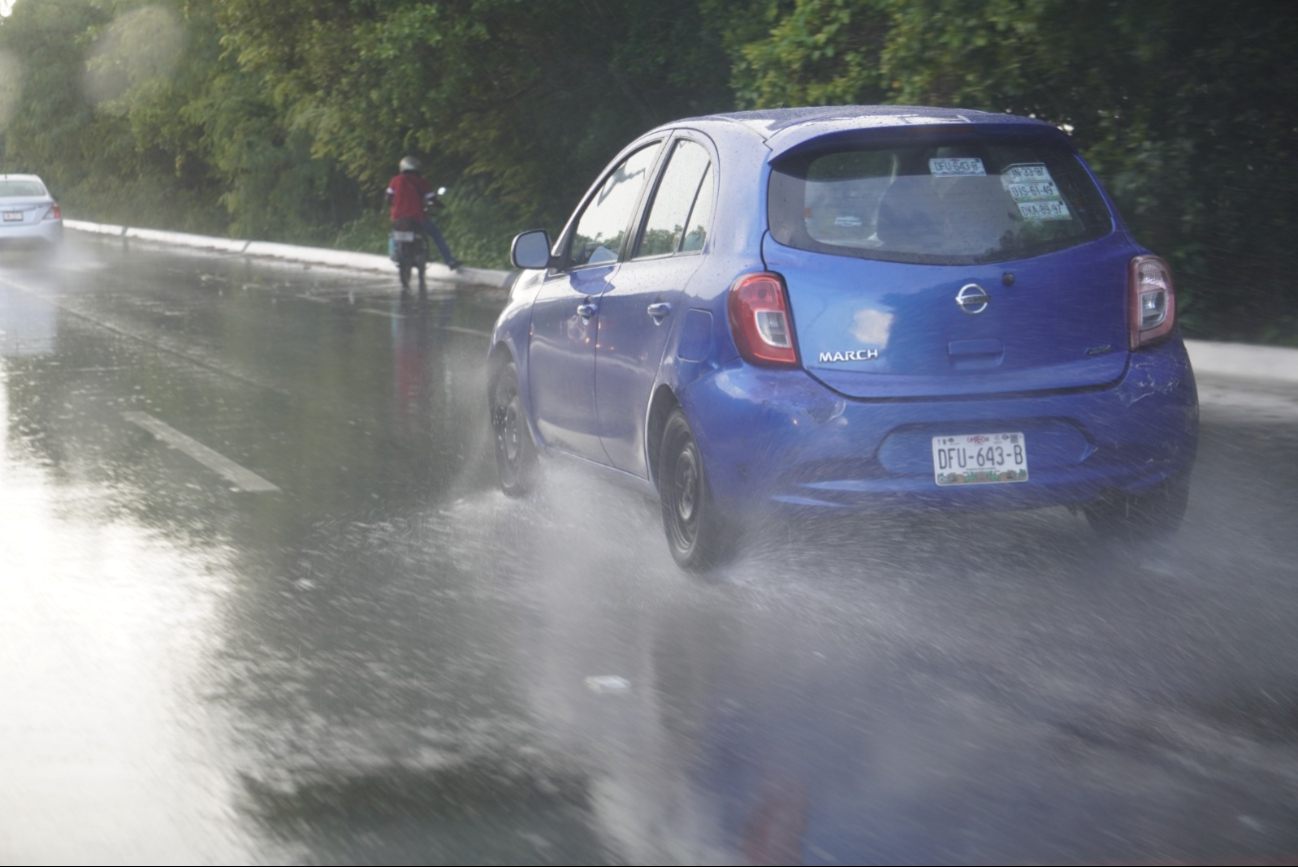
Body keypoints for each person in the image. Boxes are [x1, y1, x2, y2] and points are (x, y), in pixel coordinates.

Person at [386, 156, 459, 270]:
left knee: (394, 234)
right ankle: (449, 261)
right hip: (418, 217)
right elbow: (432, 199)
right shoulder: (421, 182)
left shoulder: (395, 180)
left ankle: (394, 255)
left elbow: (387, 198)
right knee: (436, 235)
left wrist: (394, 206)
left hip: (398, 217)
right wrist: (441, 206)